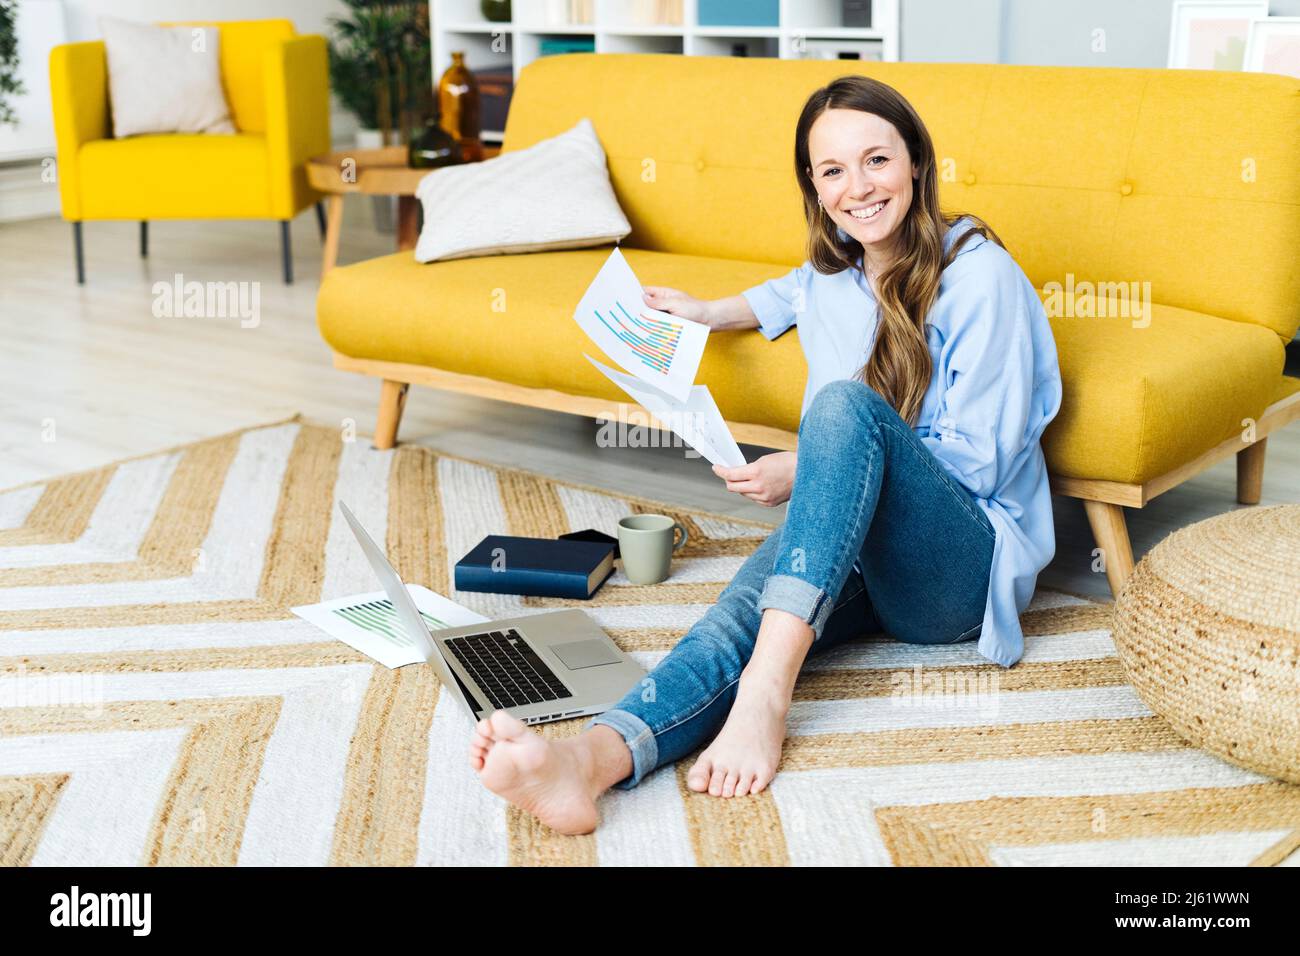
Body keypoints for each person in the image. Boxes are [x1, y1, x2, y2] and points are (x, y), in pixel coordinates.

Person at [468, 74, 1063, 835]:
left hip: (954, 570)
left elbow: (979, 461)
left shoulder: (980, 274)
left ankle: (766, 695)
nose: (859, 187)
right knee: (734, 619)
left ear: (916, 161)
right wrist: (712, 312)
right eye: (833, 172)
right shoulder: (840, 270)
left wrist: (814, 469)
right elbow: (793, 292)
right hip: (865, 548)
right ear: (814, 190)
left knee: (842, 408)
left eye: (877, 160)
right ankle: (587, 762)